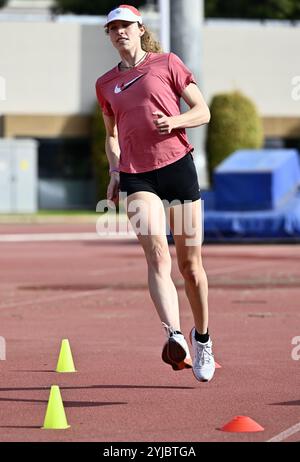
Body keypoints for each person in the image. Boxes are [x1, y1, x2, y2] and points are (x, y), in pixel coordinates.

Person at [95, 4, 215, 382]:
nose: (119, 33)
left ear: (140, 28)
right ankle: (174, 335)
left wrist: (175, 121)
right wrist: (115, 170)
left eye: (125, 26)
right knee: (157, 255)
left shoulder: (166, 63)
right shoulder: (104, 84)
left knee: (190, 267)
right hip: (136, 175)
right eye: (112, 28)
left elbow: (203, 111)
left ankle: (203, 339)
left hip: (178, 166)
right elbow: (111, 136)